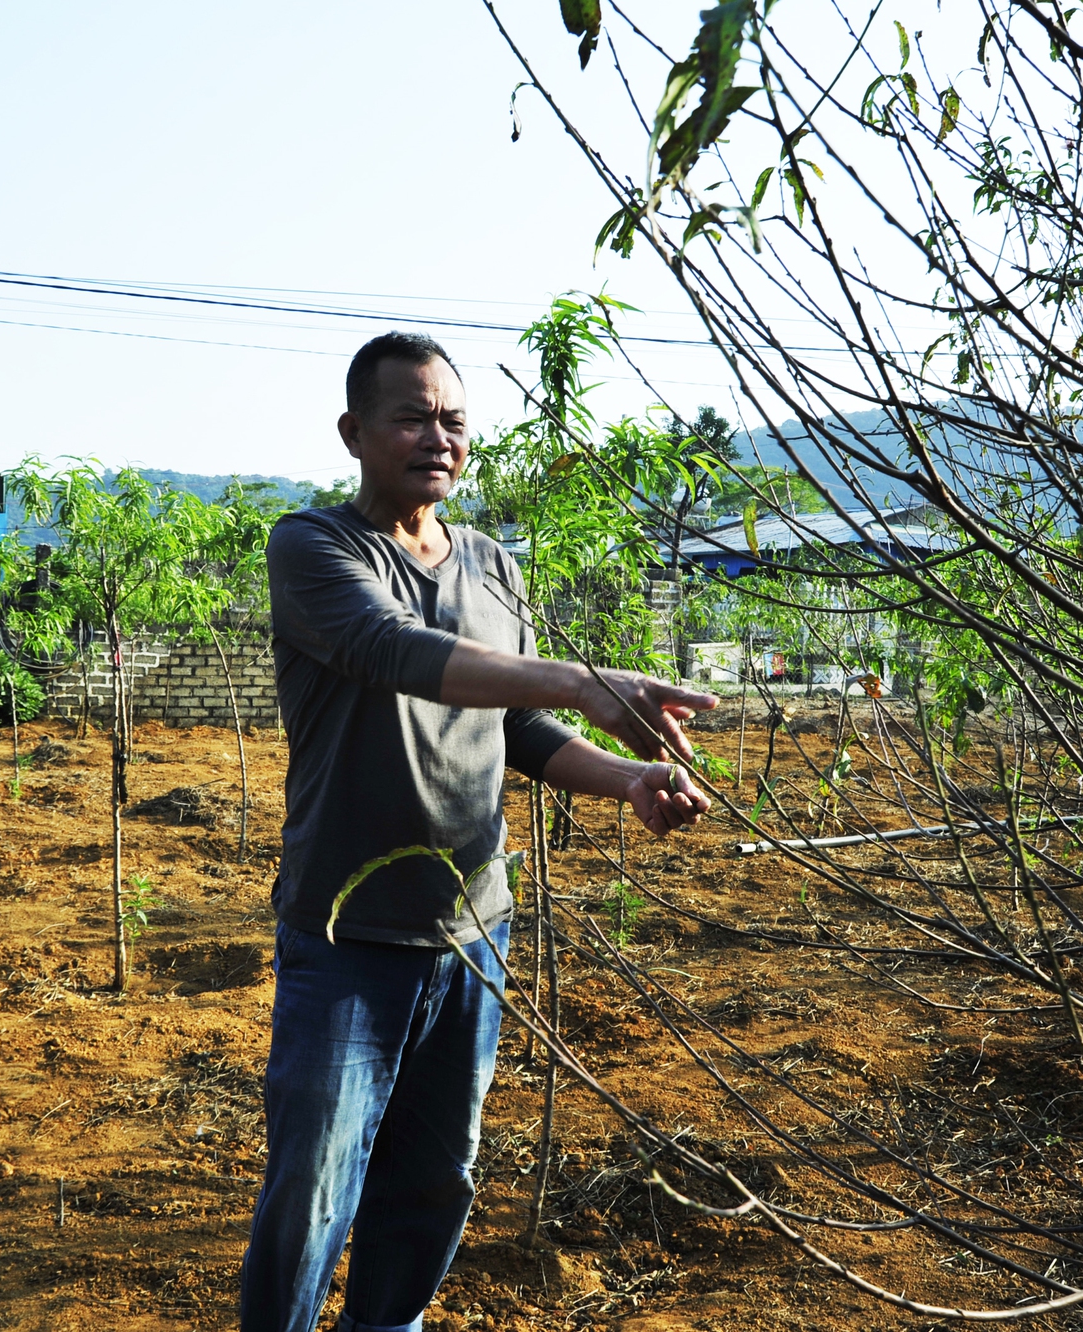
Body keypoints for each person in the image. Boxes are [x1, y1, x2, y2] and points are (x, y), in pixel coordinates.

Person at [240, 332, 716, 1332]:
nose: (436, 437)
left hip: (470, 935)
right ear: (354, 432)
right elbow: (392, 652)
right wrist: (590, 682)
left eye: (452, 420)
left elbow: (521, 729)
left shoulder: (494, 566)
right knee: (313, 1191)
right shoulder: (312, 546)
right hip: (346, 936)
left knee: (432, 1181)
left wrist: (627, 775)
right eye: (411, 417)